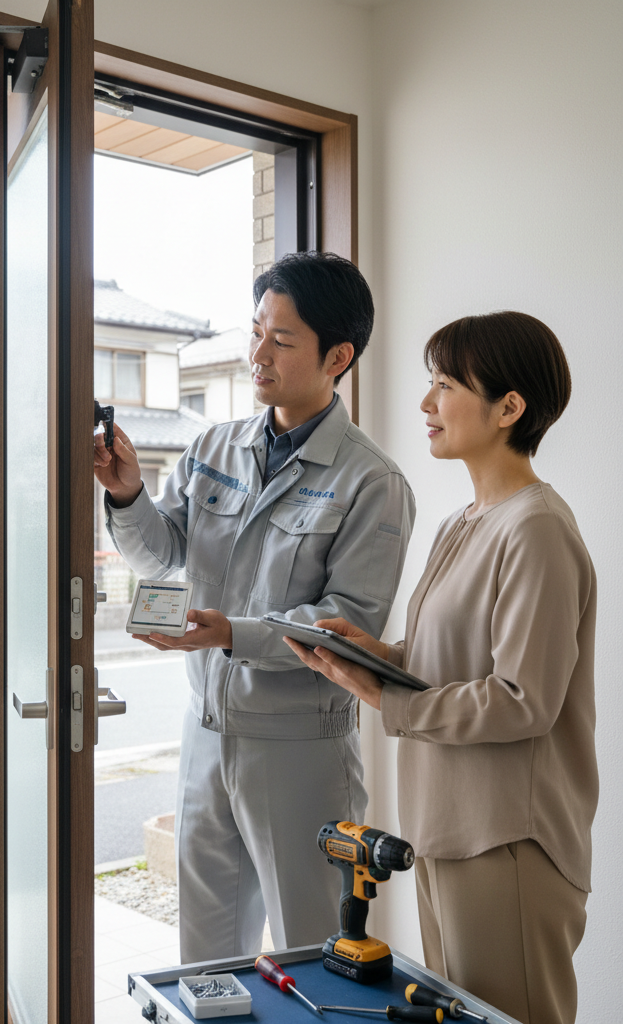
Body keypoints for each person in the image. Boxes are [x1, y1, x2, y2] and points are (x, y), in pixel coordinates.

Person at [94, 252, 415, 962]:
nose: (257, 354)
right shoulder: (215, 445)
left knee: (314, 952)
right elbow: (162, 552)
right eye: (255, 331)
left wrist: (230, 634)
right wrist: (124, 493)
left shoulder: (372, 482)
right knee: (207, 957)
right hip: (206, 734)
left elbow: (349, 624)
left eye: (281, 339)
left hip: (300, 748)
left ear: (338, 356)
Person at [284, 311, 595, 1024]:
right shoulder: (463, 521)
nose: (426, 403)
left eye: (446, 384)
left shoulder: (537, 529)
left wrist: (386, 700)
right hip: (446, 831)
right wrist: (367, 652)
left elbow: (524, 701)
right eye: (430, 383)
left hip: (509, 842)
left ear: (509, 409)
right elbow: (438, 662)